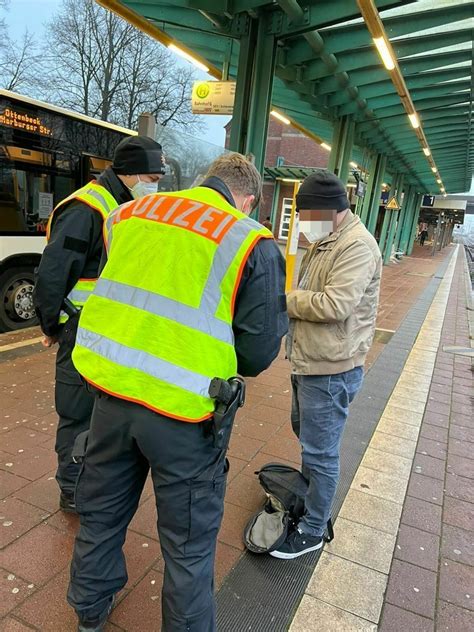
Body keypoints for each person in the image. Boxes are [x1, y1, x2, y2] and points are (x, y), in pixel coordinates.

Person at [66, 152, 288, 631]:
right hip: (186, 417)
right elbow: (257, 352)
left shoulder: (127, 215)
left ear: (207, 179)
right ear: (246, 198)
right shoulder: (249, 239)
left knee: (101, 513)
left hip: (111, 395)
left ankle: (88, 610)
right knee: (187, 547)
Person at [33, 136, 166, 513]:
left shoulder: (122, 205)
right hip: (81, 330)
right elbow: (54, 273)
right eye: (152, 177)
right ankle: (72, 490)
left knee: (99, 414)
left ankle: (89, 482)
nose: (154, 184)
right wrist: (52, 326)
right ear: (130, 173)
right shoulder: (87, 207)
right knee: (77, 413)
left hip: (106, 329)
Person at [270, 170, 382, 560]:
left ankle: (315, 528)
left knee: (322, 452)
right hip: (311, 361)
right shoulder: (328, 239)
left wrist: (286, 299)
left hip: (331, 369)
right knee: (309, 440)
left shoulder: (356, 246)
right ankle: (309, 500)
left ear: (332, 211)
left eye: (308, 215)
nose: (304, 223)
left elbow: (335, 305)